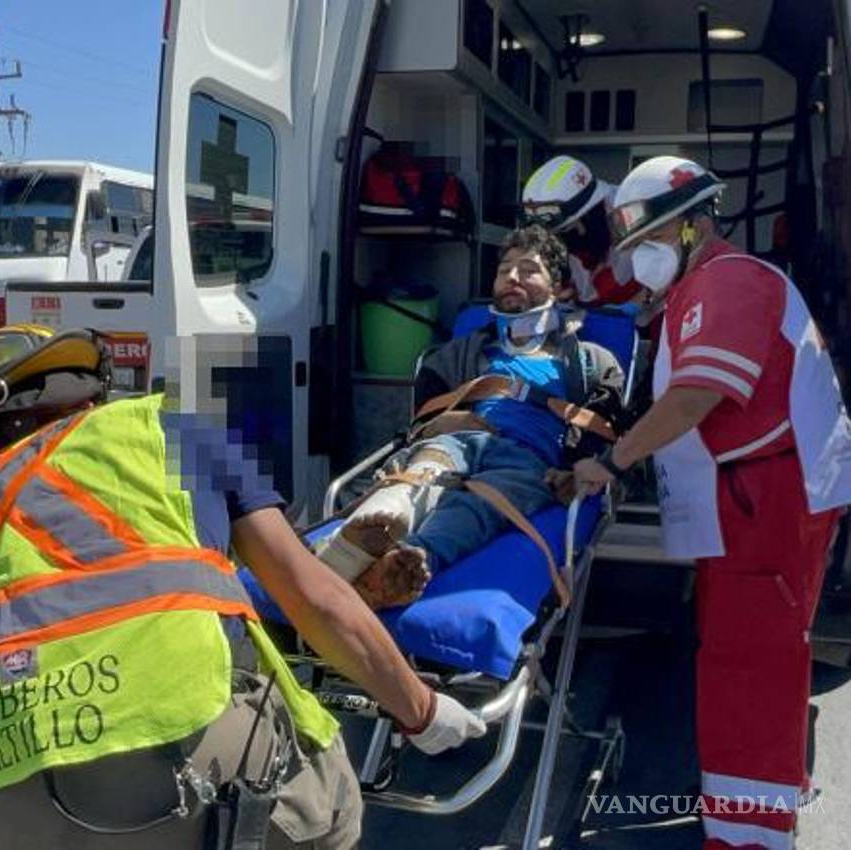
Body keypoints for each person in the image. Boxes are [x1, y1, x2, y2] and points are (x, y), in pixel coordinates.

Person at [0, 326, 487, 850]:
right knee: (330, 814)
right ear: (90, 390)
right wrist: (424, 712)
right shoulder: (174, 423)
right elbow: (316, 597)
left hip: (0, 794)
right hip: (187, 750)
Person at [572, 155, 851, 850]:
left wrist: (611, 461)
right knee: (741, 658)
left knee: (753, 667)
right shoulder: (702, 288)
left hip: (768, 500)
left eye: (648, 242)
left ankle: (751, 837)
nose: (638, 259)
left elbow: (697, 396)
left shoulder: (726, 283)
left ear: (695, 228)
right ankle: (745, 812)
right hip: (754, 498)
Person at [317, 225, 626, 608]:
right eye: (504, 269)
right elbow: (423, 417)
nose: (512, 277)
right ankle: (369, 530)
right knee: (423, 473)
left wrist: (575, 466)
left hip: (527, 459)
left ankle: (410, 561)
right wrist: (437, 426)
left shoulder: (590, 361)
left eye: (528, 269)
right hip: (458, 439)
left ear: (560, 289)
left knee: (479, 504)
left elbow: (603, 426)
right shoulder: (459, 352)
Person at [522, 155, 645, 307]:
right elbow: (582, 282)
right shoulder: (571, 235)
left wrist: (644, 298)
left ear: (586, 212)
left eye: (566, 228)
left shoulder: (632, 209)